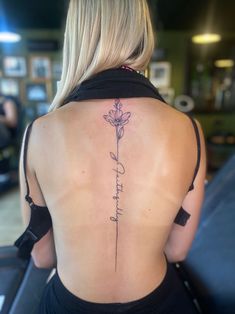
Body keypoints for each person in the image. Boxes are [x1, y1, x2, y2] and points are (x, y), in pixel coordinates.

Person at [16, 0, 206, 313]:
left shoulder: (39, 133)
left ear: (78, 35)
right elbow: (176, 250)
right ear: (140, 32)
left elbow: (42, 257)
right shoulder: (189, 130)